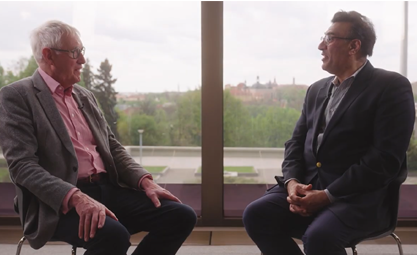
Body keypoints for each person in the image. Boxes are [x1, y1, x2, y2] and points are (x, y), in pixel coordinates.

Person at [0, 20, 197, 255]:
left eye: (81, 51)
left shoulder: (84, 95)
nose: (82, 60)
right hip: (58, 203)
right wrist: (75, 197)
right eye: (75, 52)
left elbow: (111, 147)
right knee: (114, 237)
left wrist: (146, 181)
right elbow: (22, 166)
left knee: (181, 215)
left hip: (108, 189)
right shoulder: (16, 96)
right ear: (48, 55)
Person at [243, 10, 415, 255]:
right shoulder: (316, 89)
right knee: (256, 214)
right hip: (308, 188)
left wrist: (327, 196)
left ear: (354, 46)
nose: (320, 45)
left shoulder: (390, 87)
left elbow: (384, 161)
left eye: (330, 38)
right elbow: (295, 144)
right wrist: (292, 183)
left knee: (320, 236)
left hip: (359, 198)